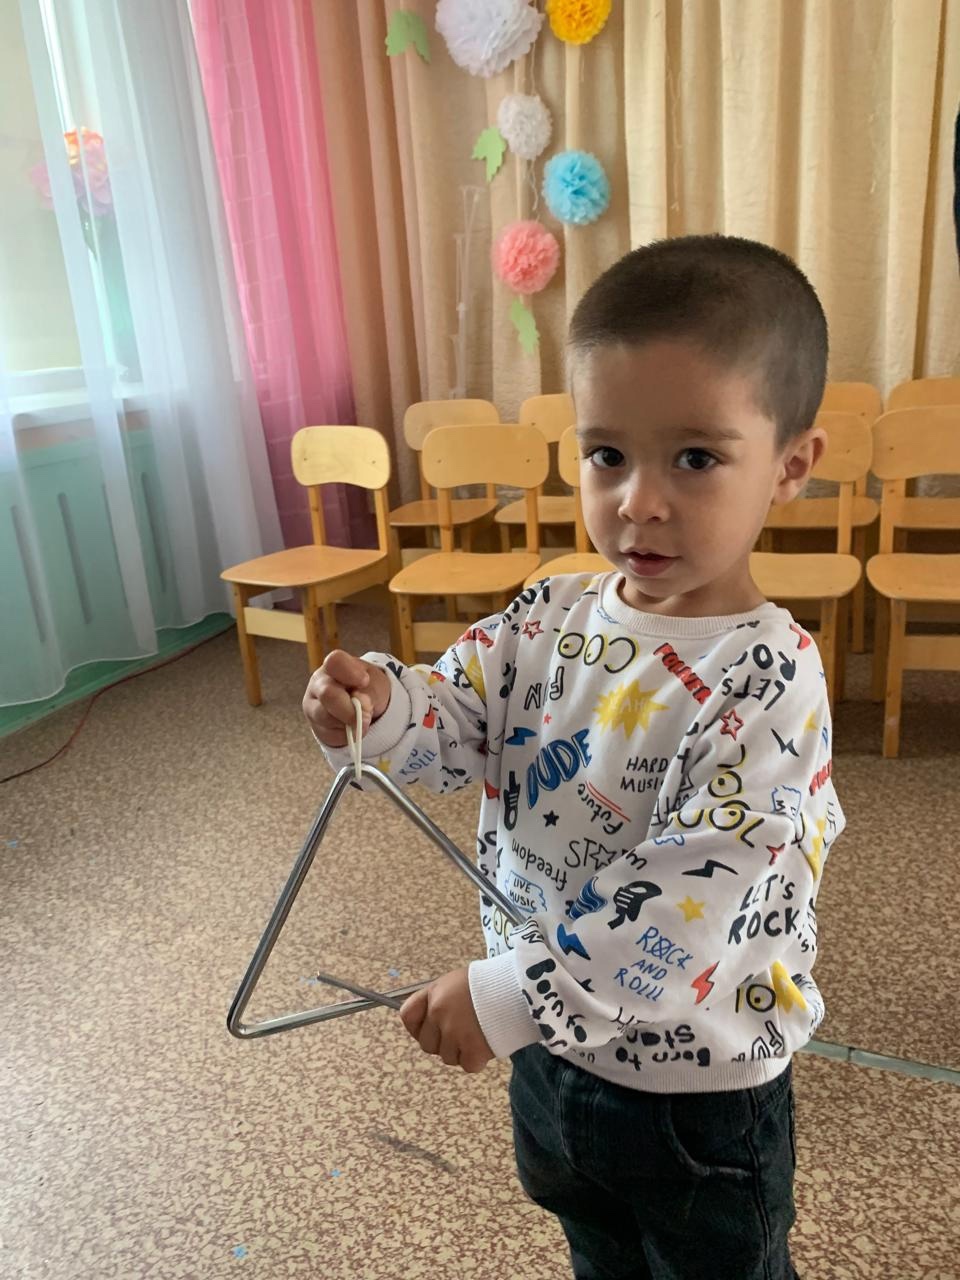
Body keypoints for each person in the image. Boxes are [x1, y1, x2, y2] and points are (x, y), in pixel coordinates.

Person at [303, 234, 844, 1280]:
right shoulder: (546, 614)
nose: (638, 500)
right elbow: (454, 715)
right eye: (607, 454)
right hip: (549, 1058)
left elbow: (698, 895)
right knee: (597, 1248)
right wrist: (378, 708)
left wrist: (513, 993)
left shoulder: (769, 677)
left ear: (790, 464)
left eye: (695, 458)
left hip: (698, 1095)